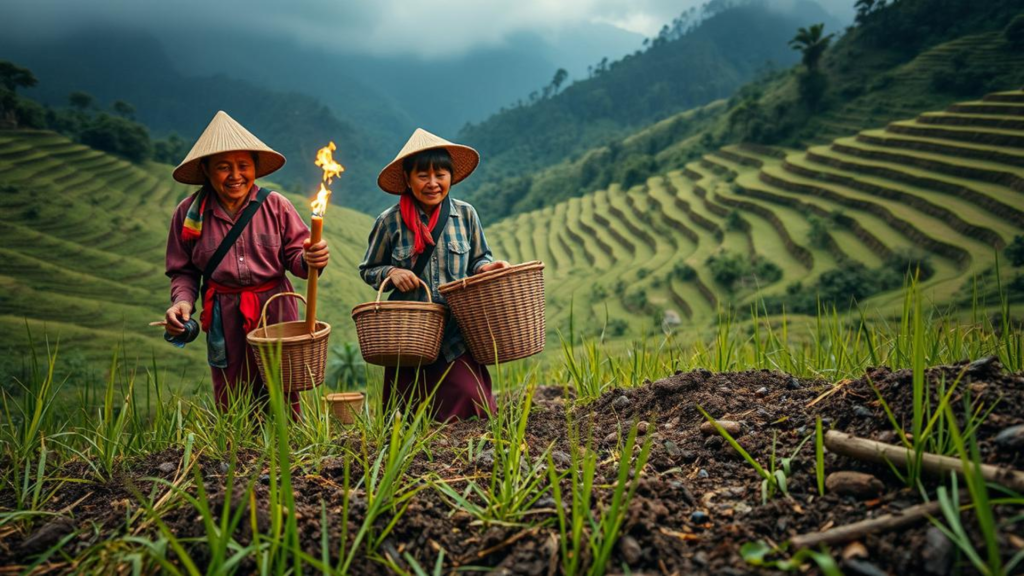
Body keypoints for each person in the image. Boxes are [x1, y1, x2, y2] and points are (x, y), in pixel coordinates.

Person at [163, 111, 329, 415]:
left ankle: (286, 454)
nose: (235, 175)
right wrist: (183, 302)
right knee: (231, 392)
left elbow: (297, 260)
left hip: (275, 308)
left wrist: (310, 258)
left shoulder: (276, 205)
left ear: (255, 168)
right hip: (223, 314)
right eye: (224, 168)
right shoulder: (189, 214)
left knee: (282, 389)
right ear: (206, 170)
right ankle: (237, 456)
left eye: (243, 166)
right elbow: (183, 271)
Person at [359, 128, 509, 421]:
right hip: (410, 333)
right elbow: (368, 269)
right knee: (411, 412)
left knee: (472, 398)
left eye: (440, 174)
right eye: (422, 175)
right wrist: (392, 272)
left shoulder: (466, 215)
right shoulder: (389, 222)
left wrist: (486, 269)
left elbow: (479, 258)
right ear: (407, 179)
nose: (432, 183)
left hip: (456, 331)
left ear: (451, 177)